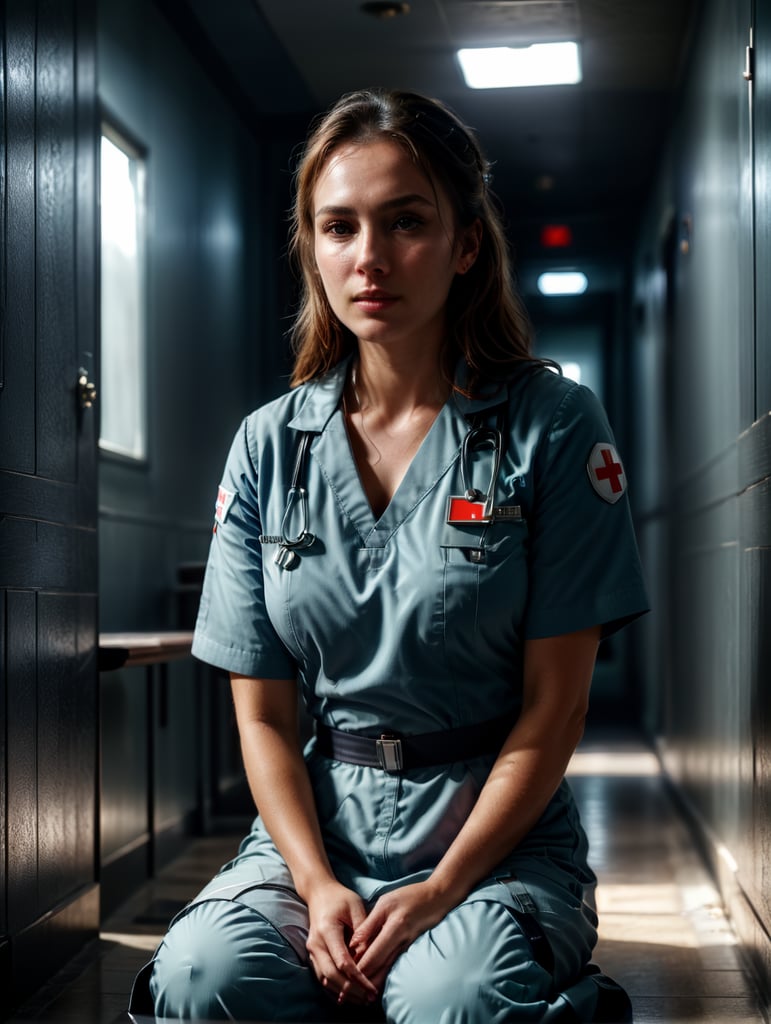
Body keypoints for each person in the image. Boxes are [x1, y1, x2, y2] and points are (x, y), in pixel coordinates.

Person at [130, 88, 648, 1023]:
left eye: (405, 221)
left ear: (464, 245)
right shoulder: (269, 445)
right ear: (313, 249)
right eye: (339, 227)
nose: (368, 257)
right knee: (203, 980)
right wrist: (317, 884)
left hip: (496, 832)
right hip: (318, 832)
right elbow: (263, 724)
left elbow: (555, 708)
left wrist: (442, 888)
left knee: (452, 997)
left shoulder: (553, 425)